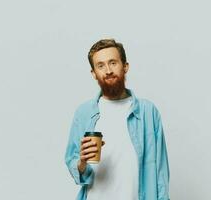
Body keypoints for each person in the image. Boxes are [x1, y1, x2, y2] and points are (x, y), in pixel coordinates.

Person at [65, 38, 170, 200]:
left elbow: (160, 172)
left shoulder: (148, 112)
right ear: (94, 73)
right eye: (100, 65)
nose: (108, 70)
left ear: (125, 66)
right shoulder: (84, 113)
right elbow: (73, 163)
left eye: (113, 62)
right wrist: (82, 163)